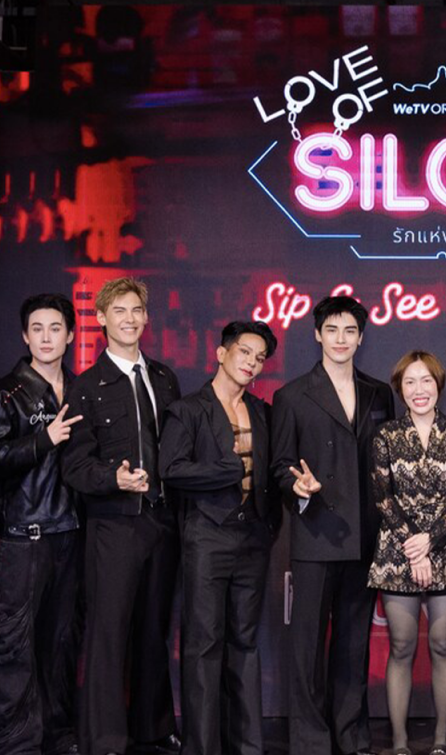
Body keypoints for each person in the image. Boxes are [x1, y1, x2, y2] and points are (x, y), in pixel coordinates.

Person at [62, 277, 182, 755]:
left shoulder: (164, 377)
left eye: (136, 311)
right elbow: (74, 466)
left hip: (162, 520)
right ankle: (105, 737)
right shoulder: (85, 387)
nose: (129, 319)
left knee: (155, 629)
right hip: (113, 523)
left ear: (146, 318)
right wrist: (113, 478)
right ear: (101, 319)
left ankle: (153, 726)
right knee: (108, 633)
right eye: (119, 311)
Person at [270, 295, 394, 755]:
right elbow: (279, 465)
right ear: (317, 334)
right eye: (332, 330)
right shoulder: (291, 396)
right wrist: (297, 486)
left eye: (350, 331)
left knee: (353, 645)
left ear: (361, 338)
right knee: (306, 648)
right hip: (316, 534)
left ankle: (351, 735)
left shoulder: (379, 393)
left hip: (364, 537)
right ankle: (309, 741)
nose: (341, 339)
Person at [159, 320, 281, 755]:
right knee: (203, 645)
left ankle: (247, 746)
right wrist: (226, 470)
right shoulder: (189, 410)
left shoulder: (262, 413)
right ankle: (202, 747)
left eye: (260, 358)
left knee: (245, 644)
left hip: (253, 538)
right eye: (245, 352)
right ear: (222, 353)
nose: (252, 363)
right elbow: (170, 469)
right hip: (207, 537)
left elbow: (273, 471)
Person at [0, 294, 84, 755]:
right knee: (14, 646)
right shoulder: (7, 393)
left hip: (71, 535)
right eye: (37, 328)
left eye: (55, 328)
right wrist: (44, 440)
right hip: (25, 536)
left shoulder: (79, 389)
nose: (46, 337)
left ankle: (58, 735)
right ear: (24, 336)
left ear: (70, 335)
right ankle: (16, 743)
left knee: (61, 644)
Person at [368, 351, 446, 755]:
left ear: (439, 385)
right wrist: (415, 549)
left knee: (442, 644)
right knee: (401, 646)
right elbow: (383, 496)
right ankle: (399, 743)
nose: (419, 390)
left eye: (426, 380)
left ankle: (440, 741)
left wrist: (430, 540)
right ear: (400, 389)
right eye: (410, 382)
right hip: (398, 550)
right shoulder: (386, 435)